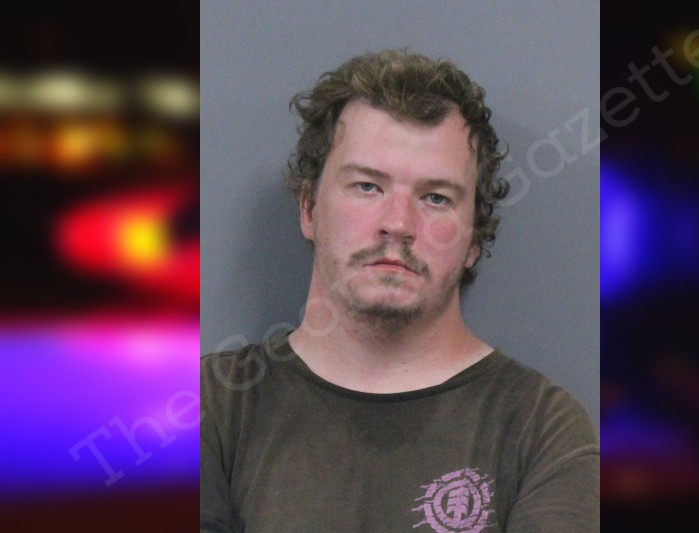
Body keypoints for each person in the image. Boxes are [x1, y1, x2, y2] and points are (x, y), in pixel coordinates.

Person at [201, 49, 599, 532]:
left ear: (473, 240)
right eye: (367, 186)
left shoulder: (543, 429)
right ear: (309, 208)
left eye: (436, 197)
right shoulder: (209, 406)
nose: (398, 223)